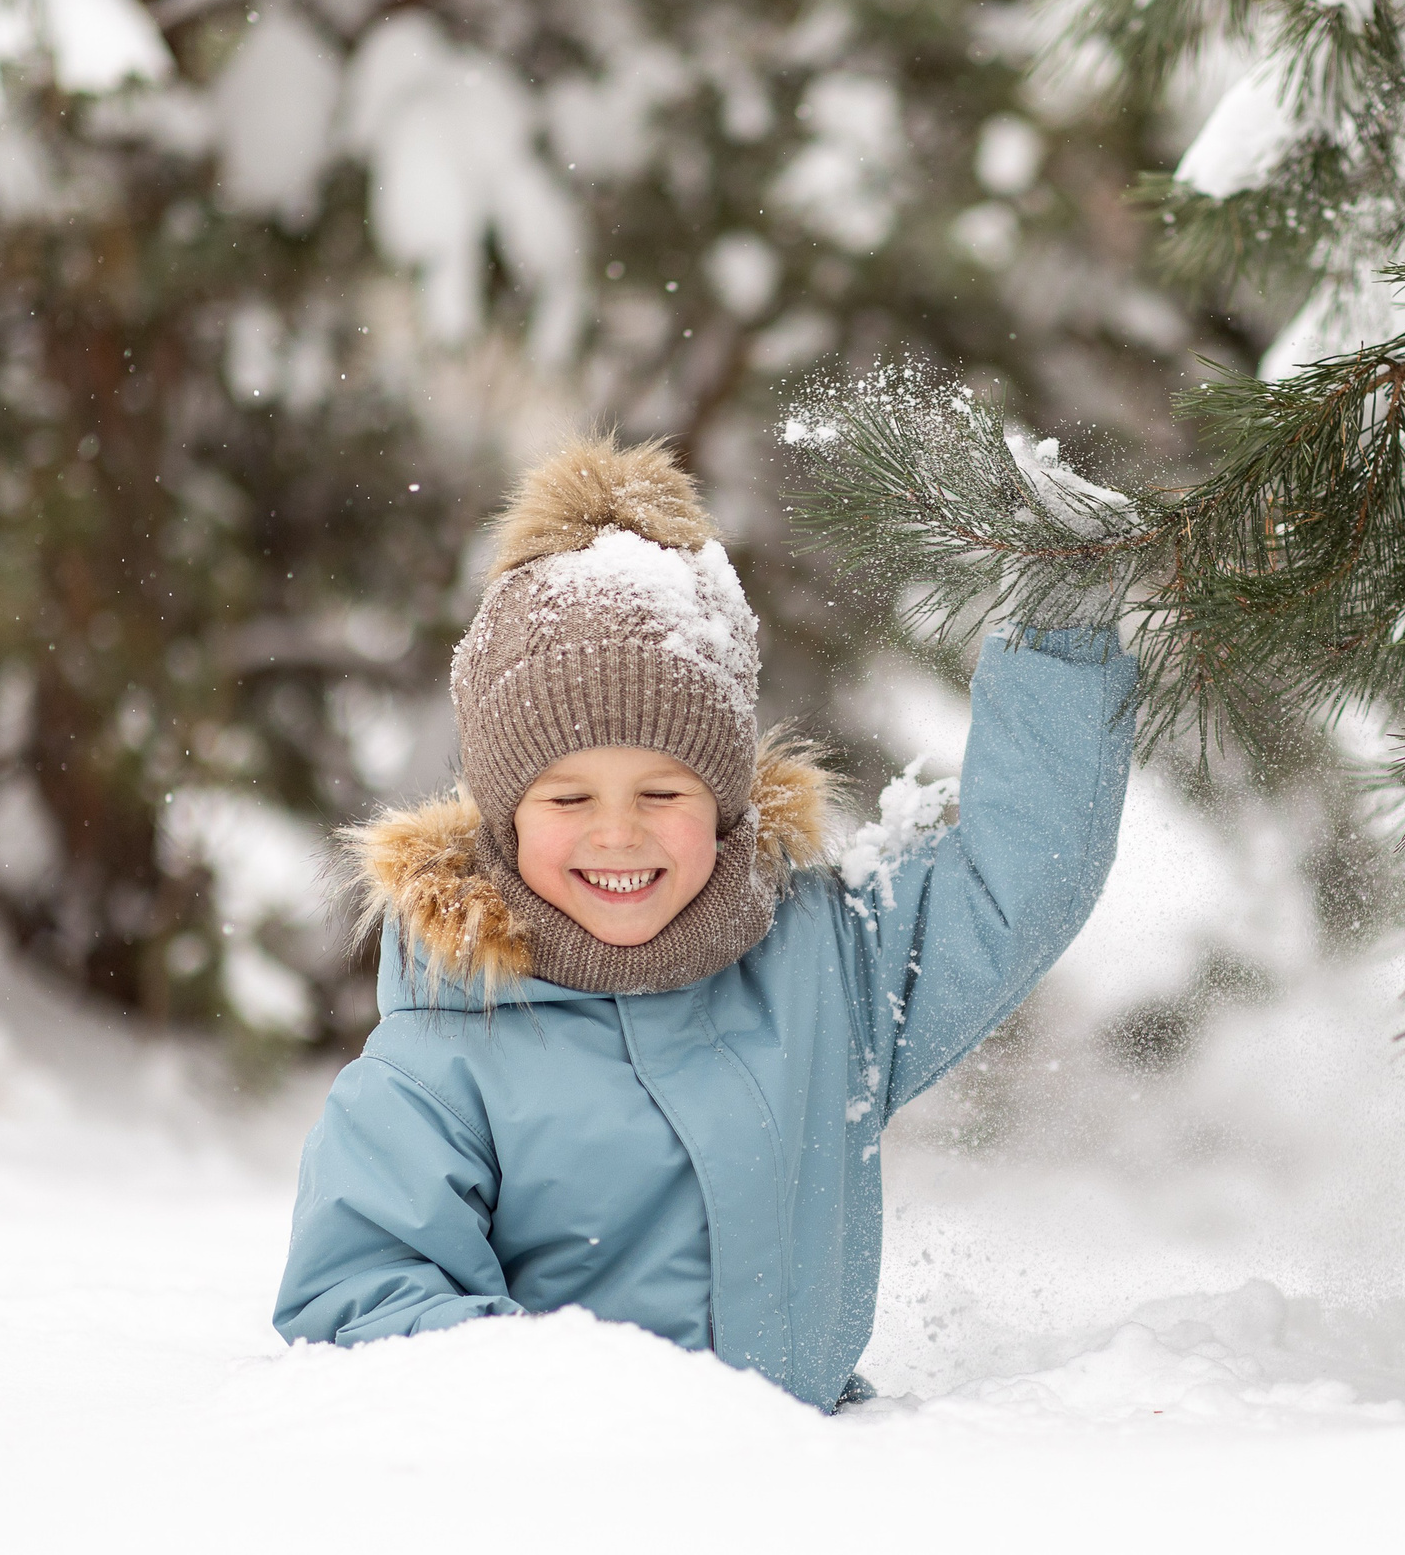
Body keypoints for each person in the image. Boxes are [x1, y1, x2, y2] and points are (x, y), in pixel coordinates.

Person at [272, 436, 1136, 1410]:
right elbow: (363, 1292)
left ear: (724, 800)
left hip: (801, 1477)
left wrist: (1063, 620)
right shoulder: (445, 1053)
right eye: (567, 797)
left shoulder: (825, 970)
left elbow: (1017, 878)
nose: (617, 832)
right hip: (569, 1478)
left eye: (662, 790)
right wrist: (568, 1409)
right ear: (504, 818)